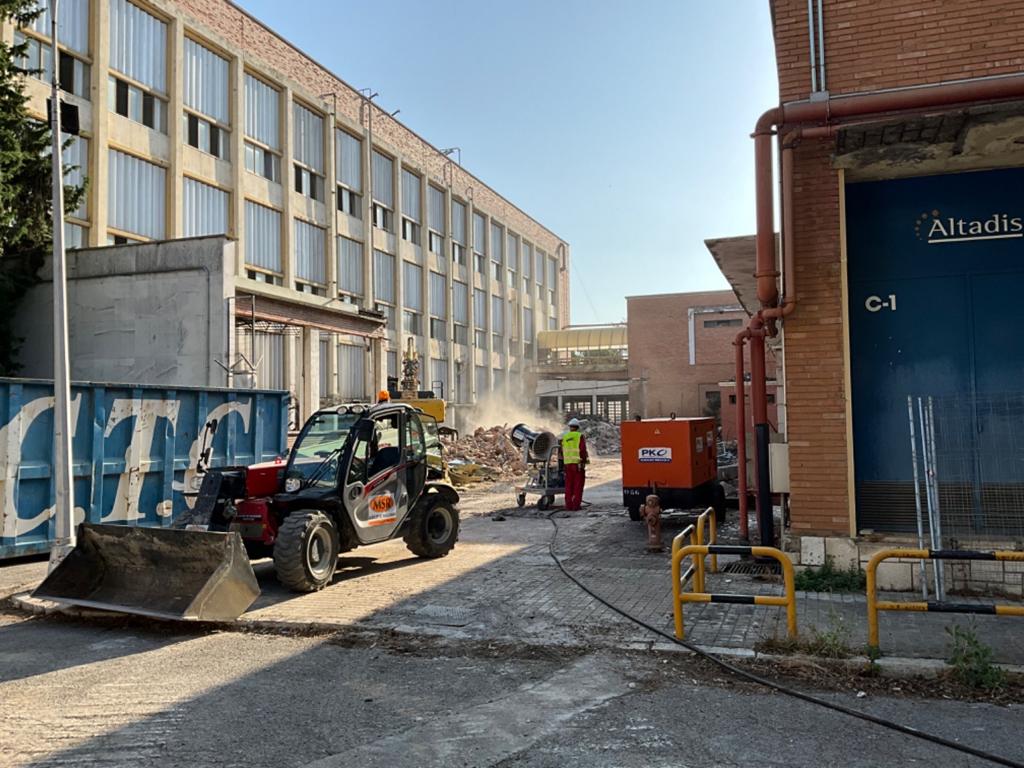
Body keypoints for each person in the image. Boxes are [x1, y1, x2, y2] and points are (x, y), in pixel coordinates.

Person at [560, 418, 589, 511]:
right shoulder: (579, 436)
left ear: (570, 427)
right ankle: (576, 506)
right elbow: (583, 450)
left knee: (568, 486)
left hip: (568, 465)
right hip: (577, 465)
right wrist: (584, 461)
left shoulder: (565, 437)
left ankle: (569, 505)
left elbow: (561, 451)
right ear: (578, 427)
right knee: (578, 486)